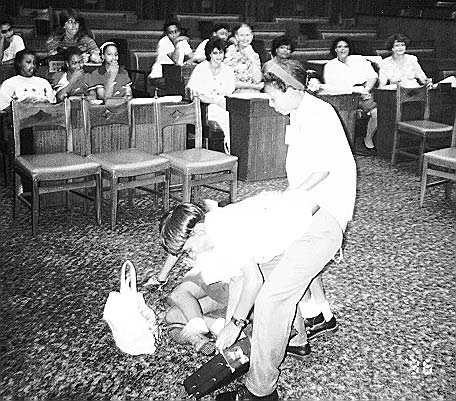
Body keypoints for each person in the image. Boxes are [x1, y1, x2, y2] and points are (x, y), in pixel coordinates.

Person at [215, 60, 357, 400]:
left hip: (322, 217)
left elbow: (323, 170)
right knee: (255, 272)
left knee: (270, 299)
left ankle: (260, 391)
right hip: (307, 214)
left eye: (274, 97)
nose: (271, 103)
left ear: (292, 90)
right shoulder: (300, 113)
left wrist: (284, 201)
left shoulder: (318, 114)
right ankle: (295, 338)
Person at [156, 182, 318, 357]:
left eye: (189, 249)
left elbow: (253, 281)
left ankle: (295, 339)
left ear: (198, 231)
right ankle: (295, 337)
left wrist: (235, 325)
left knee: (272, 291)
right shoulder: (214, 223)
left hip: (301, 237)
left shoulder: (224, 233)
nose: (191, 253)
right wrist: (230, 324)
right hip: (288, 227)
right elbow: (236, 280)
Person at [322, 36, 378, 149]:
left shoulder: (359, 60)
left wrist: (366, 90)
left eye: (345, 46)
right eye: (339, 47)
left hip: (363, 93)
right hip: (344, 96)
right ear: (335, 50)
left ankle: (368, 138)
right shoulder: (330, 66)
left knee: (377, 112)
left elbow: (372, 77)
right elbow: (332, 87)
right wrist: (354, 90)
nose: (343, 49)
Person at [187, 37, 235, 154]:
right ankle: (228, 150)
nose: (219, 56)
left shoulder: (228, 70)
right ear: (209, 54)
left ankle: (233, 151)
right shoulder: (201, 68)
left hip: (224, 104)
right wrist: (214, 101)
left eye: (221, 52)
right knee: (226, 119)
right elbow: (195, 94)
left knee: (236, 117)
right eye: (215, 53)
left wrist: (221, 101)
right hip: (206, 107)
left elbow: (229, 92)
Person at [148, 21, 194, 91]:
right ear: (166, 33)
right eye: (170, 32)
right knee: (182, 87)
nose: (174, 35)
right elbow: (175, 59)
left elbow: (193, 57)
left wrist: (189, 61)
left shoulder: (182, 42)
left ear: (180, 31)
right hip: (159, 77)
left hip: (175, 77)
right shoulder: (164, 42)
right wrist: (176, 44)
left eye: (176, 31)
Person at [223, 23, 263, 93]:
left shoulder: (255, 54)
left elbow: (257, 80)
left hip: (253, 93)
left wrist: (251, 59)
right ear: (236, 36)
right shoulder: (228, 53)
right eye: (241, 35)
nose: (245, 39)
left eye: (247, 35)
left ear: (252, 36)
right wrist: (253, 86)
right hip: (235, 93)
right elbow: (229, 81)